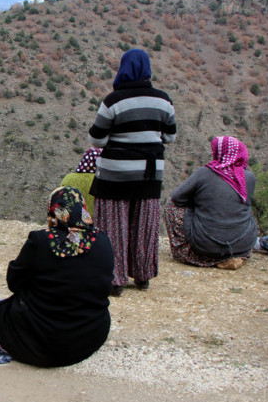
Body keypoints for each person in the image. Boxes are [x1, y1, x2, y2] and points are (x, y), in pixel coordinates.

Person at [0, 186, 115, 367]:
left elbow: (14, 282)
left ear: (53, 210)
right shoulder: (103, 241)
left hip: (42, 341)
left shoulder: (41, 241)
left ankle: (4, 345)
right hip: (89, 337)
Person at [88, 48, 176, 296]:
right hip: (149, 174)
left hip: (115, 173)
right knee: (144, 224)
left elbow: (96, 139)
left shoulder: (113, 101)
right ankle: (143, 275)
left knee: (114, 224)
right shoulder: (163, 100)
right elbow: (170, 136)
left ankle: (115, 280)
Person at [164, 136, 257, 270]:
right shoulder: (248, 177)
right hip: (241, 245)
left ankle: (184, 251)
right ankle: (237, 257)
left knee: (170, 205)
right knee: (247, 211)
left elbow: (177, 198)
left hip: (206, 243)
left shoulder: (205, 172)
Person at [59, 147, 102, 218]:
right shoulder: (102, 180)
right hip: (96, 222)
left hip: (73, 221)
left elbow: (60, 200)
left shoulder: (68, 178)